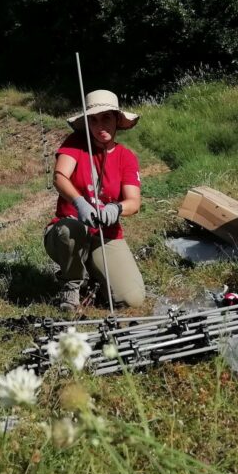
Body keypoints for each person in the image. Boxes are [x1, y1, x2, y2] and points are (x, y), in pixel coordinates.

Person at [44, 89, 145, 311]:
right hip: (69, 230)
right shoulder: (75, 143)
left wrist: (116, 209)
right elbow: (60, 177)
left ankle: (94, 277)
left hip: (105, 235)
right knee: (70, 230)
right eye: (94, 119)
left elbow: (133, 202)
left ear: (117, 120)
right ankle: (71, 283)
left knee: (132, 299)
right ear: (87, 123)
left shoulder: (126, 157)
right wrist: (79, 202)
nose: (100, 125)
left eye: (107, 117)